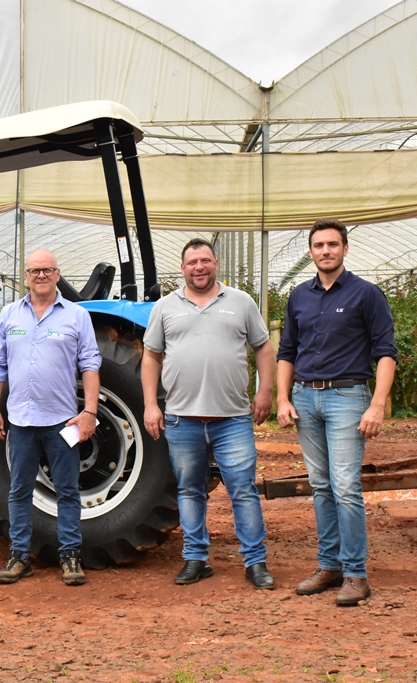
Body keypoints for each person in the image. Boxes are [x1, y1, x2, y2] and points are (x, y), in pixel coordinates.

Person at [141, 238, 276, 590]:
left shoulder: (241, 302)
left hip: (232, 418)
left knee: (242, 490)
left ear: (215, 264)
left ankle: (255, 562)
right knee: (189, 490)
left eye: (204, 261)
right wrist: (151, 404)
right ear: (182, 268)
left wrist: (265, 390)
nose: (198, 267)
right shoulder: (165, 307)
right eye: (191, 262)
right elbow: (151, 356)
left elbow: (263, 346)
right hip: (182, 418)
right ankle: (196, 559)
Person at [276, 219, 397, 607]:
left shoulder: (367, 294)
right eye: (318, 245)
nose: (325, 251)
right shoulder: (299, 296)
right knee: (321, 485)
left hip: (348, 397)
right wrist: (283, 398)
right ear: (310, 252)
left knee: (346, 487)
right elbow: (287, 352)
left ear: (345, 249)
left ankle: (356, 575)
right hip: (306, 399)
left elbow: (385, 352)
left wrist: (377, 404)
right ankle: (329, 566)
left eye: (332, 244)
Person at [0, 248, 101, 586]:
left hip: (61, 421)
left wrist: (89, 412)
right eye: (35, 270)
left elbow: (90, 365)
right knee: (19, 490)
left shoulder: (77, 316)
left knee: (67, 489)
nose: (41, 276)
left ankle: (70, 554)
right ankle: (20, 554)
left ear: (57, 273)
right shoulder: (9, 315)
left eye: (47, 270)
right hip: (20, 420)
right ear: (26, 276)